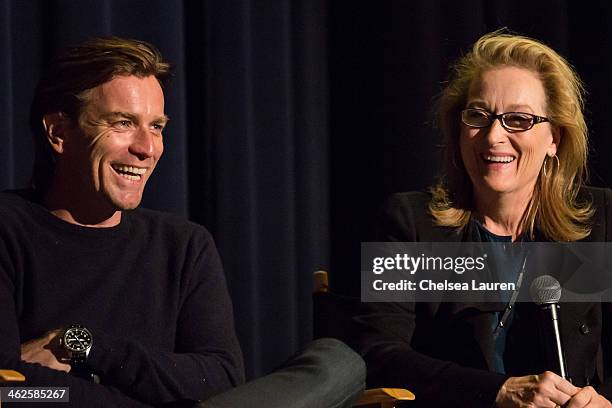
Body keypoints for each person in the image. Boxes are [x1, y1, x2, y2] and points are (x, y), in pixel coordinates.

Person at [0, 37, 364, 407]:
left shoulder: (183, 244)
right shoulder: (7, 227)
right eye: (124, 123)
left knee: (338, 363)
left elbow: (219, 379)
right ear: (59, 133)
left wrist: (82, 344)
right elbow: (13, 390)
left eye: (156, 127)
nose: (147, 148)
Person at [357, 30, 612, 407]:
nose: (494, 136)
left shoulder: (597, 222)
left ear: (554, 138)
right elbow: (374, 353)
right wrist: (497, 391)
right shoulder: (410, 224)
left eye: (518, 120)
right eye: (479, 115)